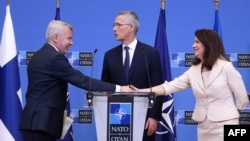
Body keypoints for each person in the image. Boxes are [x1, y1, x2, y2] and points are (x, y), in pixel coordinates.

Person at [19, 20, 133, 141]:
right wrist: (120, 88)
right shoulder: (54, 58)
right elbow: (82, 80)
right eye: (69, 38)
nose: (71, 43)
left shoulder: (39, 55)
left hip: (34, 122)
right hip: (41, 124)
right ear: (56, 37)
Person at [131, 29, 250, 141]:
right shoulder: (194, 70)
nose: (193, 46)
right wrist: (143, 91)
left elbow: (242, 97)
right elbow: (170, 86)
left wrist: (232, 114)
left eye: (197, 42)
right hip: (204, 127)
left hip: (227, 125)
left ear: (209, 45)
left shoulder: (226, 67)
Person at [101, 10, 164, 141]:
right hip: (116, 117)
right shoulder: (109, 55)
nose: (114, 29)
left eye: (118, 25)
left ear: (131, 27)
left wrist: (154, 116)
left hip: (143, 116)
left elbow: (158, 87)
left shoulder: (150, 54)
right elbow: (105, 87)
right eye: (114, 25)